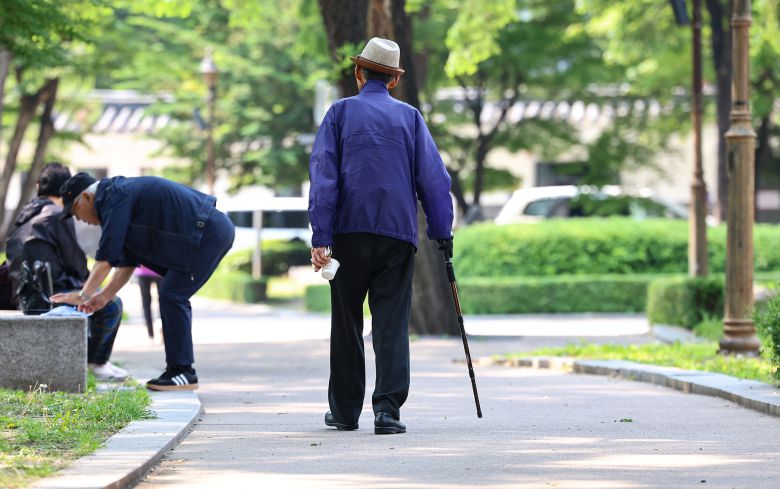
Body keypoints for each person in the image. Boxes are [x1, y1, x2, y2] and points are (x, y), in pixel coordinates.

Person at [308, 37, 454, 435]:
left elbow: (324, 175)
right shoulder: (410, 118)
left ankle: (344, 412)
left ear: (359, 73)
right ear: (392, 80)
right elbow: (435, 181)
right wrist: (443, 233)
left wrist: (321, 236)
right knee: (390, 322)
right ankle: (387, 411)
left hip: (348, 234)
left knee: (347, 321)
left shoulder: (339, 113)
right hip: (396, 235)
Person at [50, 173, 235, 391]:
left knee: (172, 295)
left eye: (75, 210)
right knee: (172, 294)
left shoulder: (114, 196)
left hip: (208, 232)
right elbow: (127, 261)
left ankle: (183, 371)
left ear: (87, 198)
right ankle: (180, 371)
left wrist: (84, 295)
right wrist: (104, 296)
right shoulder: (116, 200)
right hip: (202, 233)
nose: (78, 219)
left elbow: (106, 258)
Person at [6, 163, 127, 381]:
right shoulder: (55, 216)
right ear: (66, 188)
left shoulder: (22, 217)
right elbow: (76, 263)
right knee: (111, 304)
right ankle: (97, 363)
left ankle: (95, 362)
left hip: (21, 298)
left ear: (37, 185)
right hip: (50, 298)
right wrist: (88, 289)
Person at [135, 265, 163, 340]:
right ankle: (154, 333)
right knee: (162, 302)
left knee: (147, 303)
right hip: (158, 269)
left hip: (148, 270)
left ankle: (151, 335)